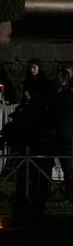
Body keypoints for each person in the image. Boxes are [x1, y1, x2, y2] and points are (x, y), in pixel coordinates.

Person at [51, 65, 73, 199]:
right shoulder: (61, 93)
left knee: (68, 167)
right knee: (67, 167)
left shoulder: (66, 95)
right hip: (64, 134)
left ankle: (70, 193)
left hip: (66, 135)